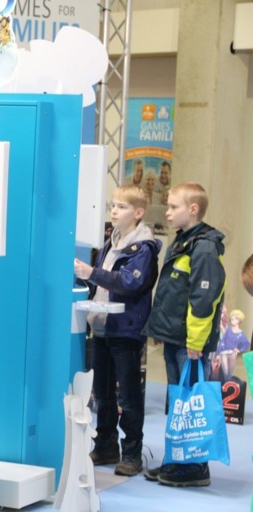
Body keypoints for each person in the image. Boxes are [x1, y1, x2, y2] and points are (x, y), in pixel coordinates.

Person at [142, 182, 226, 487]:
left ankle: (195, 467)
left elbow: (204, 299)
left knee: (192, 404)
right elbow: (172, 293)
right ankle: (177, 460)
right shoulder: (183, 241)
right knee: (179, 402)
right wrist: (161, 329)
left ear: (192, 209)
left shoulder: (204, 247)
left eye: (173, 206)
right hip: (175, 337)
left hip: (190, 343)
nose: (167, 212)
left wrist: (195, 341)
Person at [73, 185, 160, 477]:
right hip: (101, 327)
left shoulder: (143, 248)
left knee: (129, 396)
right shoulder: (111, 243)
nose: (114, 210)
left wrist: (92, 273)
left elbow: (129, 283)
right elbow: (102, 283)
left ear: (138, 213)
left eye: (122, 207)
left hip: (125, 330)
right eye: (113, 205)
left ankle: (132, 452)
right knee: (102, 393)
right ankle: (106, 444)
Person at [213, 309, 249, 382]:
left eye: (234, 318)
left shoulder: (241, 333)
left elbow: (246, 343)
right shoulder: (228, 330)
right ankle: (226, 386)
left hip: (233, 354)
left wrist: (239, 349)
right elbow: (222, 341)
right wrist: (218, 354)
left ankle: (228, 386)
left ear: (239, 320)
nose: (232, 320)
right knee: (225, 372)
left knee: (229, 374)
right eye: (232, 318)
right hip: (224, 353)